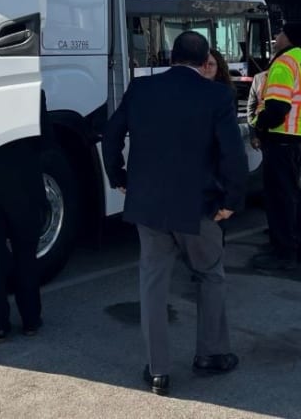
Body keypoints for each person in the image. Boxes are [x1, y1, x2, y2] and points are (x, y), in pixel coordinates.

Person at [102, 31, 248, 397]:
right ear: (204, 63)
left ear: (171, 57)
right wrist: (232, 200)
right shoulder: (217, 95)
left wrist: (119, 176)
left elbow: (111, 135)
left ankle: (157, 371)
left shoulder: (141, 89)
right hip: (200, 207)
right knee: (210, 276)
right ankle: (211, 355)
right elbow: (233, 153)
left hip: (148, 207)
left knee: (152, 285)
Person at [250, 22, 301, 271]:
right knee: (292, 196)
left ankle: (284, 253)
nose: (276, 37)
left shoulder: (283, 63)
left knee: (279, 198)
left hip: (280, 139)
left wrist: (259, 127)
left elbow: (277, 108)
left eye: (279, 33)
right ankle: (298, 243)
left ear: (287, 37)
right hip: (298, 137)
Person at [0, 138, 46, 342]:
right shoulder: (31, 103)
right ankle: (31, 320)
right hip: (24, 176)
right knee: (26, 254)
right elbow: (45, 139)